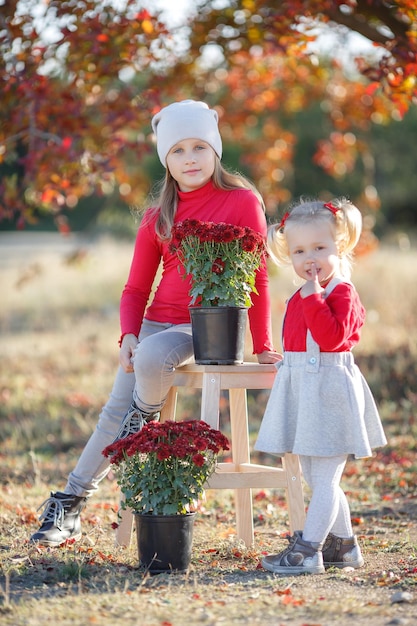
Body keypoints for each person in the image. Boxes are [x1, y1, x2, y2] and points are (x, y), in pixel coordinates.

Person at [30, 99, 280, 546]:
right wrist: (127, 334)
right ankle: (68, 503)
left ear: (215, 151)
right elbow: (134, 290)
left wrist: (263, 344)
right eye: (179, 150)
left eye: (199, 147)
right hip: (153, 325)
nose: (190, 159)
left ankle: (139, 423)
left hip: (208, 329)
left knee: (144, 373)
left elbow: (257, 278)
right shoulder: (157, 215)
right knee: (115, 407)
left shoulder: (243, 202)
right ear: (166, 158)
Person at [255, 197, 387, 575]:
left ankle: (307, 551)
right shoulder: (301, 294)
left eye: (319, 248)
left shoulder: (340, 292)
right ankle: (344, 547)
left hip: (330, 391)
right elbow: (299, 342)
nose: (309, 258)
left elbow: (330, 339)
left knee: (326, 478)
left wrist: (314, 297)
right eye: (299, 251)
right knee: (316, 477)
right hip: (305, 390)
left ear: (339, 246)